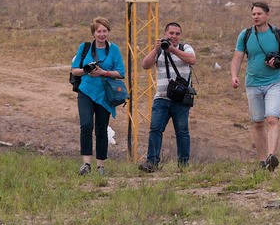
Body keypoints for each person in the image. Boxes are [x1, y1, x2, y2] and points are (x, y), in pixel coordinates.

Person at [230, 2, 280, 171]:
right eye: (253, 14)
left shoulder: (279, 34)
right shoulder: (246, 35)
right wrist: (234, 76)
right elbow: (237, 59)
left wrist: (278, 64)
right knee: (257, 123)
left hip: (273, 82)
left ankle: (271, 156)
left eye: (259, 13)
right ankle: (262, 160)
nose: (256, 17)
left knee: (272, 119)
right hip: (252, 84)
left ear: (267, 15)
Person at [138, 22, 197, 173]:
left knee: (182, 131)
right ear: (166, 34)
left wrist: (173, 50)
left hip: (181, 99)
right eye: (171, 33)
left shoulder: (185, 48)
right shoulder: (159, 50)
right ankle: (151, 162)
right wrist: (156, 49)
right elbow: (145, 65)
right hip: (162, 98)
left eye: (177, 34)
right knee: (155, 129)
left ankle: (183, 165)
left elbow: (192, 60)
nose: (174, 36)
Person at [70, 17, 125, 175]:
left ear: (108, 32)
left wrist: (103, 73)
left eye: (104, 31)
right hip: (86, 91)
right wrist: (87, 71)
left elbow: (121, 73)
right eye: (99, 31)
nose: (102, 34)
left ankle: (101, 166)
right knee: (86, 125)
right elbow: (74, 70)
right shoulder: (85, 47)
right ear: (93, 33)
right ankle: (86, 164)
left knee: (101, 129)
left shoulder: (114, 50)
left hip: (104, 94)